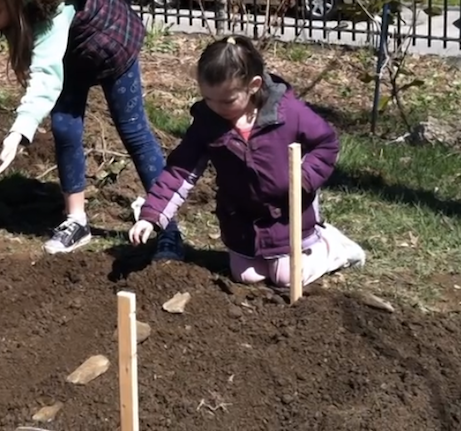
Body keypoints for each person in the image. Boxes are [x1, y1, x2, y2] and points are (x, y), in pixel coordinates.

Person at [0, 0, 184, 259]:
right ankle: (76, 222)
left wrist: (20, 130)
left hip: (110, 42)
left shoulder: (53, 5)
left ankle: (168, 227)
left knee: (134, 131)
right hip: (68, 55)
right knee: (64, 127)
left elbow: (46, 76)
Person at [129, 35, 366, 287]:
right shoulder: (208, 123)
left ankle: (333, 248)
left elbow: (326, 143)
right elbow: (180, 170)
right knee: (246, 277)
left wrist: (305, 178)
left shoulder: (288, 113)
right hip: (241, 221)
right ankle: (266, 258)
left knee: (286, 278)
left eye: (227, 100)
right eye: (208, 99)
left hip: (287, 215)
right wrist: (151, 215)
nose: (216, 107)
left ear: (253, 85)